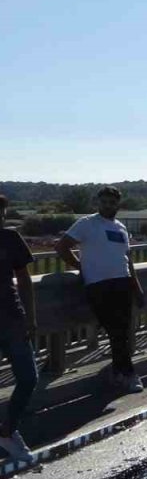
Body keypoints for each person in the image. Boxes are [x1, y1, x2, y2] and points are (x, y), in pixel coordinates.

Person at [55, 187, 147, 393]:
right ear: (98, 203)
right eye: (104, 202)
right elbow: (62, 247)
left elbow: (127, 260)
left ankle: (119, 373)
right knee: (115, 329)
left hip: (122, 283)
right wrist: (81, 266)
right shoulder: (87, 223)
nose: (108, 206)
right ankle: (129, 374)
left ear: (118, 205)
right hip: (98, 285)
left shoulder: (121, 228)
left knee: (121, 331)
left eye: (112, 202)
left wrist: (137, 288)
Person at [0, 195, 39, 463]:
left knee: (28, 378)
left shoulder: (11, 237)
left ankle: (7, 431)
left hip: (12, 317)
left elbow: (24, 280)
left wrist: (31, 317)